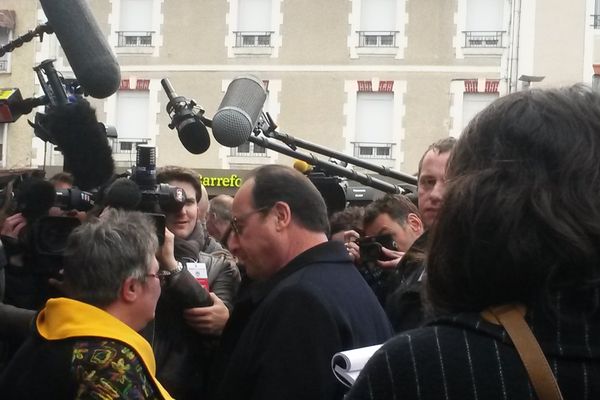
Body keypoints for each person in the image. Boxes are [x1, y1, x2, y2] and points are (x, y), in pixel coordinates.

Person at [348, 85, 600, 399]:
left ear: (481, 199)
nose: (439, 195)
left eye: (453, 181)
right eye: (427, 182)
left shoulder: (424, 367)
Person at [212, 165, 393, 400]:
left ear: (280, 216)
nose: (233, 244)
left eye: (238, 226)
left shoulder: (299, 301)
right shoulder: (346, 282)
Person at [0, 209, 173, 399]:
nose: (160, 283)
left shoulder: (49, 335)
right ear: (131, 288)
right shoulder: (109, 368)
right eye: (157, 275)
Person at [151, 166, 240, 399]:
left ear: (199, 209)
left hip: (193, 383)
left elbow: (211, 319)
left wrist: (172, 266)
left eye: (189, 202)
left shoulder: (219, 261)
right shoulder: (133, 252)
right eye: (173, 203)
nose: (182, 211)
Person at [384, 137, 456, 332]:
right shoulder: (412, 264)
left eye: (449, 182)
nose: (435, 194)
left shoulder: (481, 266)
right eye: (428, 182)